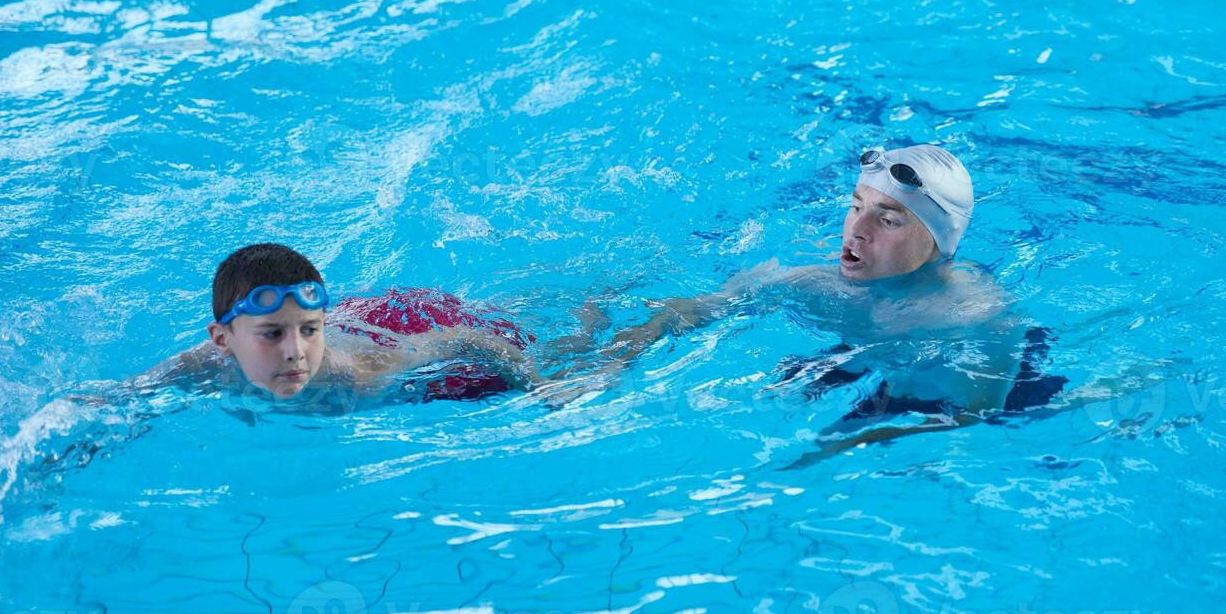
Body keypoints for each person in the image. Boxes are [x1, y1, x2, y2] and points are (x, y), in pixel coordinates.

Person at [600, 143, 1064, 460]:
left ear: (939, 241)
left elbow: (971, 417)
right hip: (876, 349)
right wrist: (615, 360)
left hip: (972, 389)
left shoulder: (980, 320)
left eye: (889, 221)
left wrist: (851, 443)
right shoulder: (813, 277)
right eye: (856, 205)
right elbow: (694, 307)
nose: (857, 230)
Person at [142, 243, 540, 408]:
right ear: (221, 339)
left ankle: (594, 301)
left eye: (308, 330)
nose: (295, 351)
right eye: (273, 334)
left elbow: (466, 339)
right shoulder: (204, 364)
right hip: (357, 320)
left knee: (554, 349)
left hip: (410, 326)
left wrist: (543, 387)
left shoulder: (357, 378)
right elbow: (124, 398)